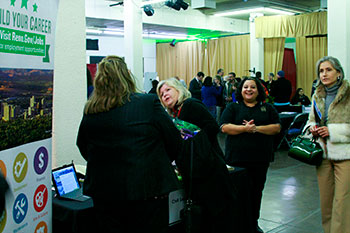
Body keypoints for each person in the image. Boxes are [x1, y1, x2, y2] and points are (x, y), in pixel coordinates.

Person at [76, 56, 183, 233]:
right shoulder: (147, 103)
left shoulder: (91, 110)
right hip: (147, 192)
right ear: (126, 75)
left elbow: (83, 146)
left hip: (105, 194)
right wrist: (155, 162)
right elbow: (174, 141)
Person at [157, 78, 238, 233]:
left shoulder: (190, 105)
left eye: (168, 90)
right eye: (161, 94)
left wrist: (194, 144)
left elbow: (212, 127)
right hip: (197, 174)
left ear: (178, 90)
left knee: (214, 218)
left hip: (209, 172)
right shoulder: (175, 114)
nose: (164, 95)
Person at [220, 77, 281, 233]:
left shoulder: (267, 108)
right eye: (245, 87)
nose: (249, 89)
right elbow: (224, 127)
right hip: (236, 159)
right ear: (241, 90)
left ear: (258, 90)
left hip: (260, 159)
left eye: (252, 87)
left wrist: (256, 129)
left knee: (256, 192)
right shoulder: (233, 107)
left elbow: (276, 128)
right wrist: (244, 129)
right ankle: (237, 225)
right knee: (237, 194)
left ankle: (253, 223)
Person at [306, 56, 350, 233]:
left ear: (338, 73)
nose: (324, 74)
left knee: (342, 201)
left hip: (344, 155)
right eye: (321, 71)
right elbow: (310, 121)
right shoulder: (317, 95)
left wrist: (333, 131)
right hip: (322, 155)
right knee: (326, 202)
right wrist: (313, 128)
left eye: (328, 70)